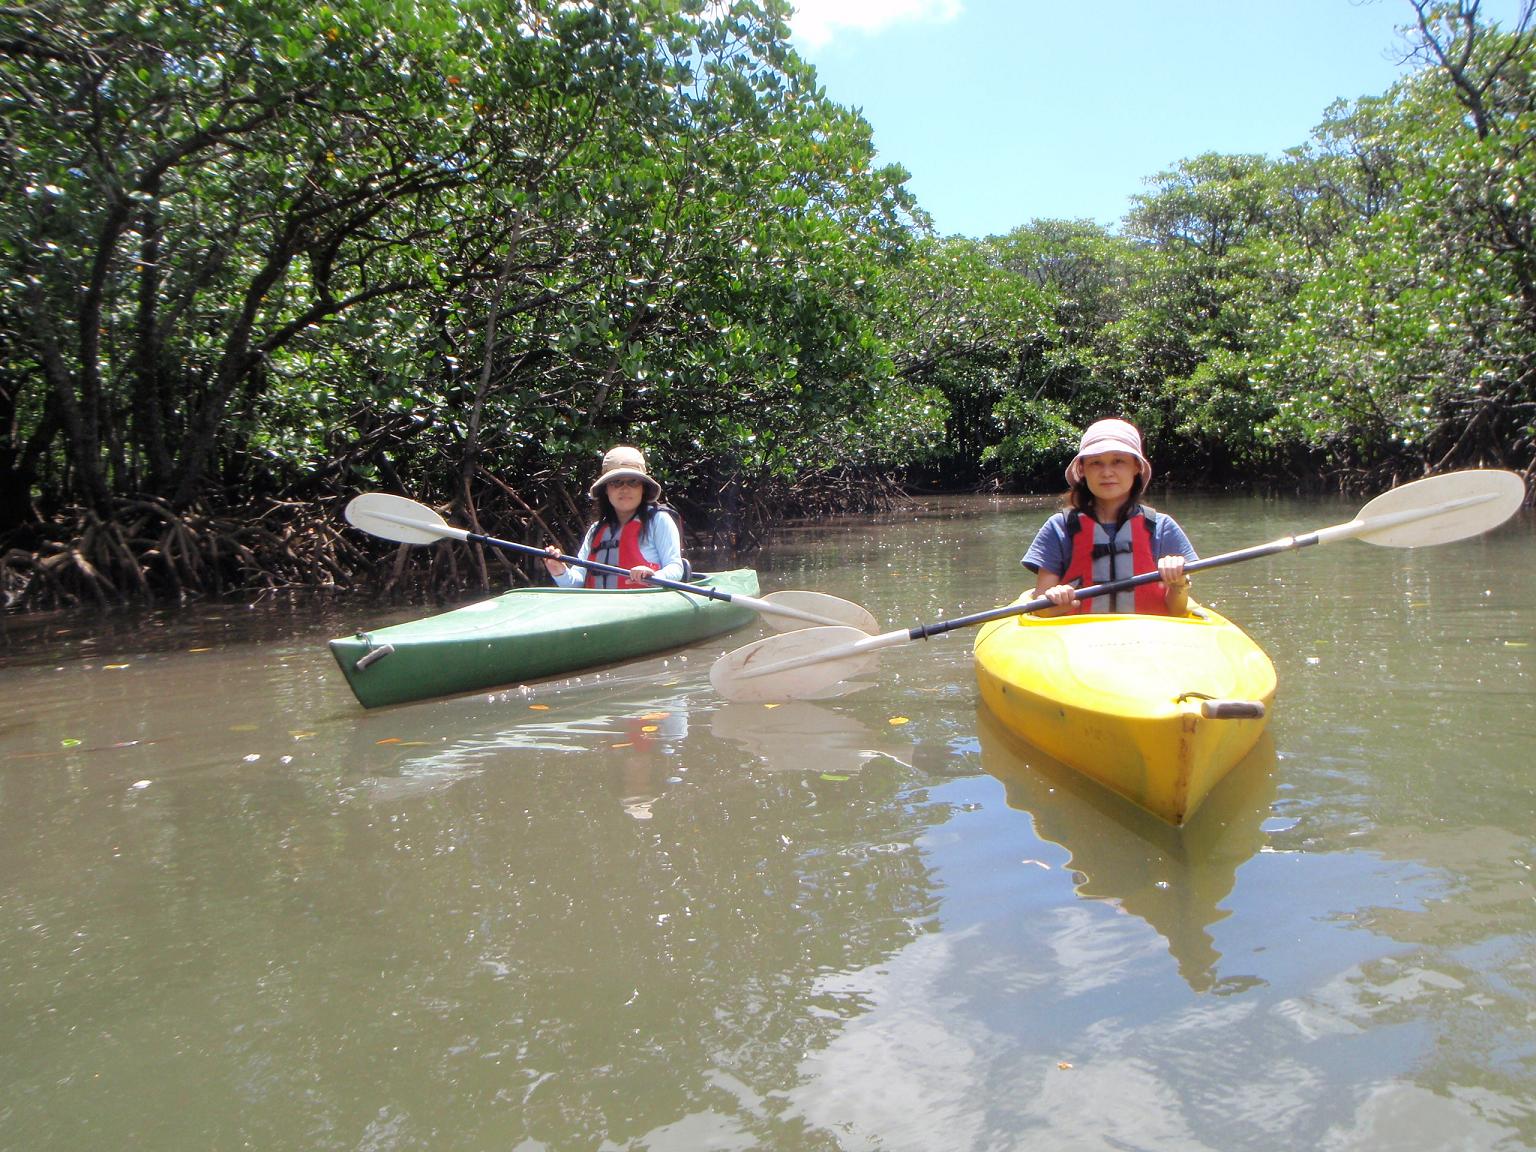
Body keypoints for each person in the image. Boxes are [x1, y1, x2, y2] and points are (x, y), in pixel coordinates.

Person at [1022, 418, 1196, 617]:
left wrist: (1178, 584)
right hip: (1079, 637)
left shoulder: (1162, 527)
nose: (1107, 472)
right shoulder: (1058, 527)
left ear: (1136, 467)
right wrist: (1057, 599)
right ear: (1082, 469)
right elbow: (1041, 610)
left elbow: (1177, 610)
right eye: (1096, 463)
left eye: (1118, 461)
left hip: (1148, 638)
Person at [543, 445, 686, 588]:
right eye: (616, 482)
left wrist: (655, 577)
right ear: (606, 489)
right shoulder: (595, 530)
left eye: (633, 481)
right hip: (602, 606)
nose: (625, 488)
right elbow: (576, 581)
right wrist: (559, 572)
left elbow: (675, 568)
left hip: (643, 604)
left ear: (643, 488)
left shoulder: (658, 521)